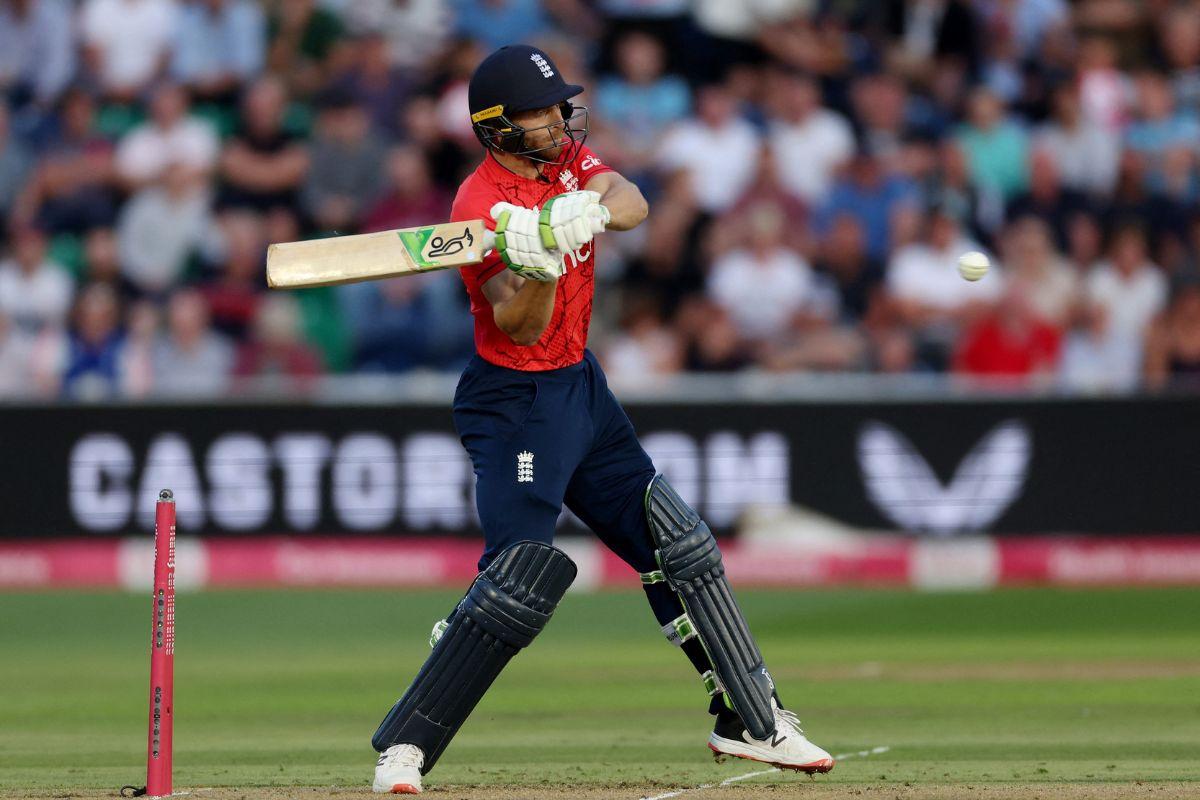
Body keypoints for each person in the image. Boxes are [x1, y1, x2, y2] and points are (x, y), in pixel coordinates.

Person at [369, 44, 833, 795]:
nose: (558, 120)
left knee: (679, 545)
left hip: (582, 392)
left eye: (559, 106)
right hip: (515, 403)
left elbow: (631, 198)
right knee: (517, 584)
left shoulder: (565, 168)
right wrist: (540, 265)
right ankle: (406, 749)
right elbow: (517, 326)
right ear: (498, 127)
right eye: (541, 111)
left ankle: (749, 719)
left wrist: (577, 215)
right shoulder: (474, 206)